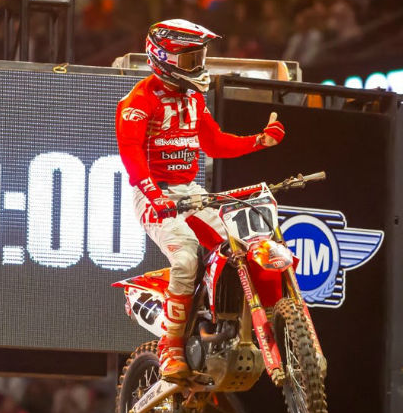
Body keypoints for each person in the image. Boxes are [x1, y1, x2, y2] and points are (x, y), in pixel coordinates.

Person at [116, 19, 285, 381]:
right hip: (154, 193)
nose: (199, 65)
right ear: (164, 58)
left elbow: (214, 142)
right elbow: (131, 155)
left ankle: (229, 322)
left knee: (241, 245)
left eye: (200, 57)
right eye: (190, 59)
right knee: (186, 258)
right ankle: (171, 348)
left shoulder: (193, 97)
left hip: (191, 192)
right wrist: (154, 196)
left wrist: (259, 141)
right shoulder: (138, 101)